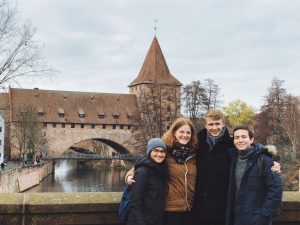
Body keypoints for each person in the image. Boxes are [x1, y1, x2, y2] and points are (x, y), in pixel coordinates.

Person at [193, 108, 280, 225]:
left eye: (217, 124)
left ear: (223, 124)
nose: (214, 127)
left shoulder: (231, 144)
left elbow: (250, 147)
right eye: (211, 124)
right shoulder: (196, 143)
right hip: (199, 207)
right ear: (205, 125)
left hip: (223, 209)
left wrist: (269, 157)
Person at [126, 117, 198, 225]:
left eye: (189, 132)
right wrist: (129, 174)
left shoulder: (193, 154)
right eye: (181, 131)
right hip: (170, 209)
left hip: (189, 209)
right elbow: (143, 163)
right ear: (174, 132)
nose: (185, 135)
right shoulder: (165, 151)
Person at [226, 125, 283, 225]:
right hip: (236, 218)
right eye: (237, 137)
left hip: (257, 220)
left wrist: (263, 216)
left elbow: (275, 190)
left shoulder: (265, 161)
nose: (240, 140)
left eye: (244, 137)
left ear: (251, 139)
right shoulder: (231, 160)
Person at [126, 137, 168, 225]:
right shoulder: (143, 172)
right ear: (149, 152)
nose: (159, 154)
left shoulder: (161, 171)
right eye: (156, 150)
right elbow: (135, 204)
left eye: (162, 151)